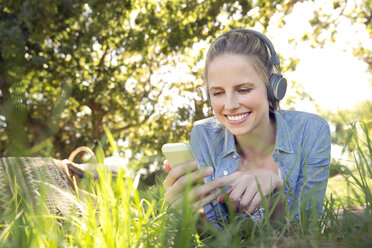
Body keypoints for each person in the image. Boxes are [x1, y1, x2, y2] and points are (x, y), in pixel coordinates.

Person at [163, 29, 331, 226]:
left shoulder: (311, 131)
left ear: (273, 89)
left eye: (243, 90)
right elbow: (219, 233)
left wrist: (276, 195)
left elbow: (308, 228)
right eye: (217, 93)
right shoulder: (204, 135)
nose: (230, 104)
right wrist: (188, 215)